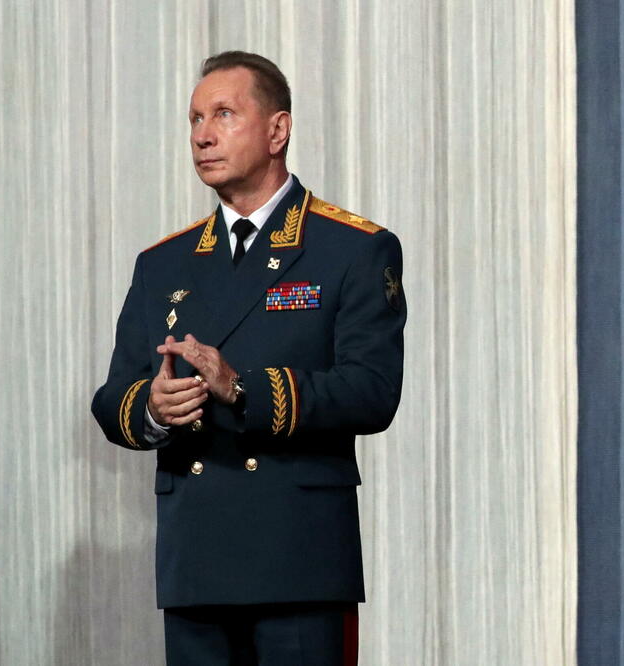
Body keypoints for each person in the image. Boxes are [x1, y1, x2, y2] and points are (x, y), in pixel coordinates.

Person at [92, 51, 406, 665]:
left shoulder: (351, 248)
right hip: (196, 558)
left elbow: (372, 392)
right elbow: (113, 399)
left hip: (299, 560)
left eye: (224, 114)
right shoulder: (163, 263)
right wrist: (153, 408)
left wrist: (243, 390)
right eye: (194, 119)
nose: (202, 135)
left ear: (277, 130)